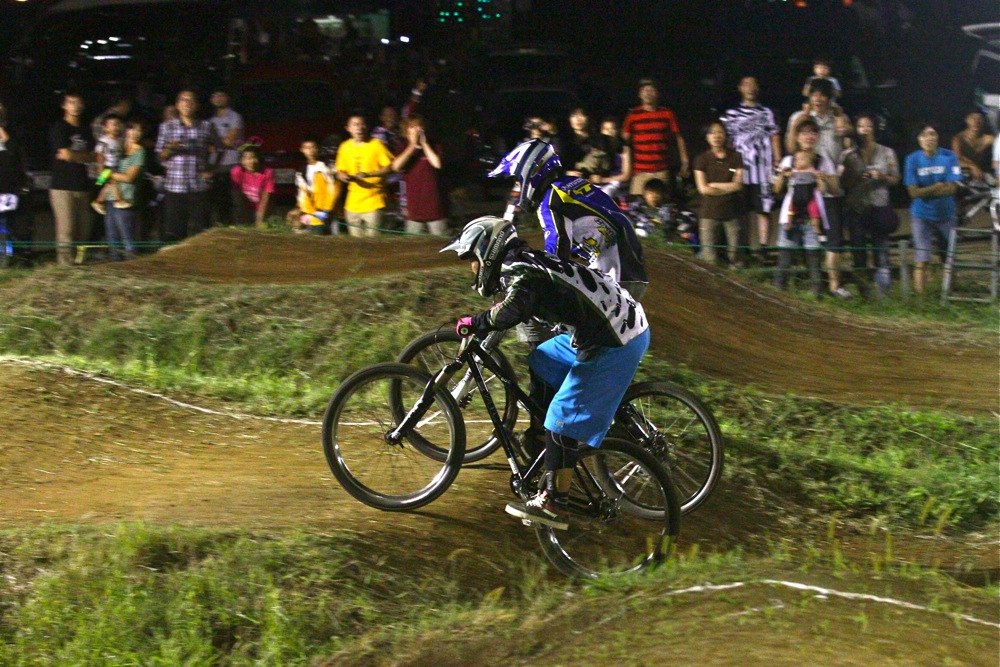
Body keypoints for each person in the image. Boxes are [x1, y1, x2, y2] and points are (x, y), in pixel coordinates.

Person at [444, 216, 650, 529]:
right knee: (543, 360)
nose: (472, 268)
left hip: (615, 340)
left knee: (560, 417)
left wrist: (476, 322)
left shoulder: (522, 271)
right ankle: (544, 442)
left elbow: (512, 311)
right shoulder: (525, 263)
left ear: (487, 250)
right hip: (612, 326)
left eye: (471, 259)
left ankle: (555, 502)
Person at [489, 139, 648, 300]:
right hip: (629, 259)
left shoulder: (550, 201)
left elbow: (557, 246)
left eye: (517, 180)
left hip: (617, 272)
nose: (517, 185)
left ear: (531, 172)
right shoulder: (570, 183)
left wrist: (542, 280)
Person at [787, 79, 849, 298]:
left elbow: (848, 142)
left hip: (830, 186)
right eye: (815, 94)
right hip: (804, 190)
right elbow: (790, 147)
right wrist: (801, 121)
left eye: (824, 95)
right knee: (800, 236)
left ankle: (834, 286)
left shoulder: (838, 119)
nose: (819, 99)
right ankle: (805, 284)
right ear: (809, 96)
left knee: (834, 239)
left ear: (830, 97)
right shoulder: (799, 119)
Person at [772, 118, 838, 296]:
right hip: (791, 214)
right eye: (804, 132)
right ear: (797, 137)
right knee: (785, 256)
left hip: (813, 216)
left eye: (813, 132)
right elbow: (777, 190)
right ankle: (777, 294)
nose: (808, 136)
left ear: (817, 137)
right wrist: (783, 177)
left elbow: (835, 190)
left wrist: (825, 178)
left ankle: (815, 295)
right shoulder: (788, 160)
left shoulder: (823, 161)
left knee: (814, 258)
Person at [721, 76, 782, 262]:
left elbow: (774, 135)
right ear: (740, 87)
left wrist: (777, 158)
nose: (750, 88)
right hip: (740, 168)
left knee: (764, 208)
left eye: (754, 84)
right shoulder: (731, 114)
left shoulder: (766, 112)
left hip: (762, 167)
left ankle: (763, 247)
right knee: (742, 209)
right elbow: (727, 140)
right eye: (746, 84)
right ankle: (745, 246)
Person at [839, 112, 900, 298]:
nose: (864, 129)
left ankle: (883, 294)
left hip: (879, 205)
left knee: (881, 251)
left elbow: (896, 178)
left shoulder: (887, 152)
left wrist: (882, 177)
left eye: (868, 125)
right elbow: (842, 183)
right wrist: (856, 177)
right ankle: (863, 293)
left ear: (874, 129)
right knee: (859, 253)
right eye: (860, 126)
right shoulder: (847, 154)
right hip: (856, 207)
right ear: (856, 130)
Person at [903, 122, 962, 295]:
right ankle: (921, 299)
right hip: (921, 215)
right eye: (924, 134)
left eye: (932, 133)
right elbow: (913, 192)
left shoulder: (949, 156)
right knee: (922, 258)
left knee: (949, 257)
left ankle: (950, 294)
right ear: (918, 139)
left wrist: (925, 191)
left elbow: (953, 187)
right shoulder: (912, 159)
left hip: (946, 214)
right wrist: (937, 187)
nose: (929, 138)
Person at [155, 90, 219, 242]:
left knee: (201, 229)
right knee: (175, 230)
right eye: (183, 100)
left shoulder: (206, 126)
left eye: (191, 100)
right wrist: (169, 149)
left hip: (198, 186)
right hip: (175, 186)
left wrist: (212, 169)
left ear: (196, 105)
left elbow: (220, 148)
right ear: (177, 105)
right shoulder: (167, 127)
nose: (187, 103)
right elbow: (159, 156)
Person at [622, 78, 689, 196]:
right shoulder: (633, 115)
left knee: (663, 207)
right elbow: (624, 141)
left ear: (657, 93)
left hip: (661, 171)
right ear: (639, 94)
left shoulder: (667, 113)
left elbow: (679, 138)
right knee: (635, 206)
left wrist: (685, 161)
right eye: (644, 90)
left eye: (651, 90)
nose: (648, 93)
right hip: (640, 171)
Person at [49, 93, 94, 265]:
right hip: (62, 185)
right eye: (71, 102)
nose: (75, 106)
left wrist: (76, 155)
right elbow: (65, 154)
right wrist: (81, 156)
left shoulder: (85, 129)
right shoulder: (59, 127)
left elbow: (91, 156)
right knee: (66, 229)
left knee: (83, 229)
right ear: (64, 106)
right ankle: (65, 266)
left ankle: (79, 262)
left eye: (78, 102)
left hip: (82, 184)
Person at [334, 114, 395, 237]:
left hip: (374, 203)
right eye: (355, 125)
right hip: (352, 205)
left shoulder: (376, 144)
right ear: (348, 128)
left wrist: (369, 174)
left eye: (362, 124)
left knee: (373, 245)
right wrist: (343, 176)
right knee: (356, 245)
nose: (359, 128)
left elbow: (390, 167)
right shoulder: (345, 147)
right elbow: (339, 171)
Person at [693, 122, 744, 267]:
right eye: (712, 132)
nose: (716, 136)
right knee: (709, 257)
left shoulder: (736, 156)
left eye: (720, 132)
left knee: (735, 254)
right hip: (709, 212)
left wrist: (714, 185)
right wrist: (729, 187)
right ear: (707, 137)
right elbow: (703, 189)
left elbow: (738, 184)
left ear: (726, 135)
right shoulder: (701, 159)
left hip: (732, 211)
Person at [391, 115, 447, 236]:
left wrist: (425, 144)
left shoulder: (434, 144)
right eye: (412, 127)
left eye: (419, 126)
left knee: (441, 244)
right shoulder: (402, 146)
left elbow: (437, 164)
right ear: (406, 130)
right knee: (413, 246)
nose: (417, 130)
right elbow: (396, 166)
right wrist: (412, 146)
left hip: (435, 208)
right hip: (414, 210)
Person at [100, 121, 146, 260]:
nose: (134, 133)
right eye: (132, 129)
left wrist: (109, 174)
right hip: (110, 197)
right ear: (126, 131)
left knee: (127, 239)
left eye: (138, 130)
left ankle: (132, 268)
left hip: (125, 199)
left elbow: (129, 177)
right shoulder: (119, 147)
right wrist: (102, 178)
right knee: (112, 238)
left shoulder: (140, 151)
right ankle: (116, 271)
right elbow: (101, 177)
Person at [208, 89, 244, 226]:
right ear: (211, 100)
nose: (218, 98)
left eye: (221, 95)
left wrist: (214, 144)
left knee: (235, 200)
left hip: (232, 163)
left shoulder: (235, 117)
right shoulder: (210, 121)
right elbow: (207, 144)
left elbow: (230, 141)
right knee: (218, 200)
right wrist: (217, 143)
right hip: (215, 165)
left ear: (227, 98)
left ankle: (239, 227)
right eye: (215, 95)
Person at [287, 138, 336, 234]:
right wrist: (313, 212)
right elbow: (303, 195)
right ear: (302, 149)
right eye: (307, 148)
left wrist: (327, 210)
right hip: (312, 217)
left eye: (313, 147)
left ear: (318, 148)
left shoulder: (327, 167)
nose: (310, 151)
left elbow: (333, 190)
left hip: (328, 215)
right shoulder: (302, 171)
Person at [229, 144, 274, 228]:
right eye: (248, 158)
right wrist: (241, 218)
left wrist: (259, 220)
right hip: (243, 209)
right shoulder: (236, 171)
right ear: (242, 160)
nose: (251, 162)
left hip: (261, 210)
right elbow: (236, 197)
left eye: (254, 158)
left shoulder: (267, 172)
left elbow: (265, 198)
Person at [590, 117, 631, 200]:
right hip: (599, 182)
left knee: (604, 195)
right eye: (606, 129)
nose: (609, 132)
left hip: (616, 183)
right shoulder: (597, 148)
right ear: (601, 131)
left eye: (613, 129)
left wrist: (604, 180)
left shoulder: (625, 149)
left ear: (618, 131)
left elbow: (626, 175)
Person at [91, 114, 124, 215]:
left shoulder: (119, 141)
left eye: (118, 124)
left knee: (108, 185)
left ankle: (98, 201)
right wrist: (101, 171)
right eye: (113, 124)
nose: (116, 127)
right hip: (107, 167)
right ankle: (118, 200)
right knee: (112, 183)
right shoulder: (103, 141)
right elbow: (99, 156)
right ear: (105, 127)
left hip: (115, 166)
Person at [951, 110, 995, 182]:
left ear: (983, 121)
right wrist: (972, 166)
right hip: (961, 173)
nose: (976, 122)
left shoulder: (987, 138)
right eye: (972, 118)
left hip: (980, 175)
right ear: (967, 120)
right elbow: (956, 159)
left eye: (979, 118)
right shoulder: (959, 139)